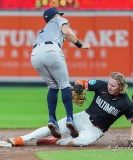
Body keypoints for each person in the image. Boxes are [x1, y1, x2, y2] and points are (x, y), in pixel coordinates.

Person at [8, 72, 133, 147]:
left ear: (121, 87)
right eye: (109, 83)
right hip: (83, 117)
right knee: (54, 125)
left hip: (96, 130)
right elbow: (83, 83)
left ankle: (56, 141)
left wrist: (132, 139)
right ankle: (22, 139)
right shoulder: (101, 85)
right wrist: (77, 86)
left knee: (79, 142)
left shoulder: (126, 103)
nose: (109, 86)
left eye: (113, 85)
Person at [30, 7, 91, 139]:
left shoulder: (43, 30)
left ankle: (52, 119)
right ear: (55, 15)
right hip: (51, 51)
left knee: (53, 87)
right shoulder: (58, 19)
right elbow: (66, 31)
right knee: (64, 85)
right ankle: (70, 118)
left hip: (35, 55)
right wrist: (80, 45)